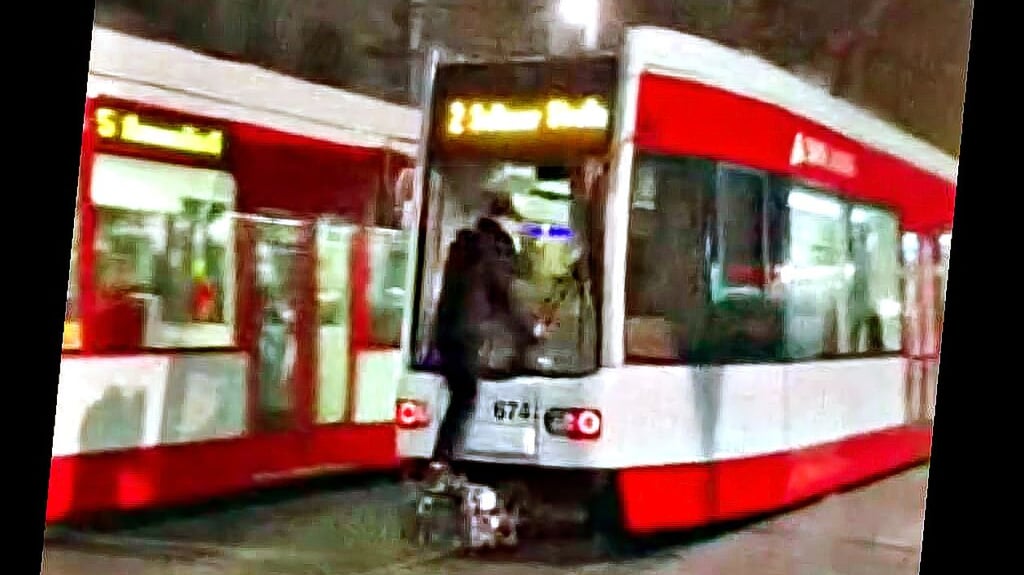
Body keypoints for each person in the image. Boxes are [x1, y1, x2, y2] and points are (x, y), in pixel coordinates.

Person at [425, 195, 541, 492]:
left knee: (459, 393)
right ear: (505, 220)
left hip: (446, 333)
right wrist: (531, 333)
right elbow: (506, 300)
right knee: (466, 395)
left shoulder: (464, 246)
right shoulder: (494, 251)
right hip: (470, 337)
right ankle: (444, 461)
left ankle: (445, 461)